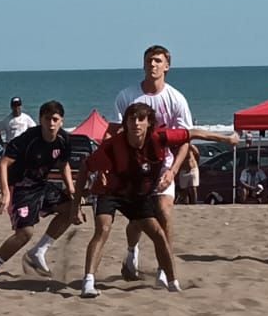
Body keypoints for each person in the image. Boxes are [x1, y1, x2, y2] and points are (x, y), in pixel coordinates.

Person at [79, 104, 237, 297]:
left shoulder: (158, 138)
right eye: (131, 119)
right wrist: (74, 204)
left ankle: (172, 282)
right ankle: (88, 282)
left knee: (158, 234)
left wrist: (227, 139)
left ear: (149, 123)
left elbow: (192, 134)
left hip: (138, 196)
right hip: (111, 192)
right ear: (126, 123)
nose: (136, 123)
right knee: (103, 229)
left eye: (141, 119)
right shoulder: (113, 146)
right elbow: (85, 167)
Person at [111, 45, 192, 285]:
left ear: (167, 66)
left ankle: (163, 269)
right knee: (137, 221)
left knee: (164, 213)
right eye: (149, 61)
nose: (153, 65)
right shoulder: (127, 96)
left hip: (164, 165)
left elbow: (185, 140)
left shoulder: (176, 99)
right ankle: (131, 251)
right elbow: (114, 135)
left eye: (158, 61)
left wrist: (173, 170)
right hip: (133, 168)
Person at [0, 101, 81, 280]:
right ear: (40, 120)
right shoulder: (28, 139)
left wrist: (73, 193)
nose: (51, 123)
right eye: (47, 119)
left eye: (55, 119)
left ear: (61, 121)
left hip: (41, 185)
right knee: (25, 232)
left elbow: (63, 165)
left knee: (70, 209)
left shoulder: (64, 140)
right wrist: (5, 193)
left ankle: (39, 251)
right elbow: (3, 164)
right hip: (19, 187)